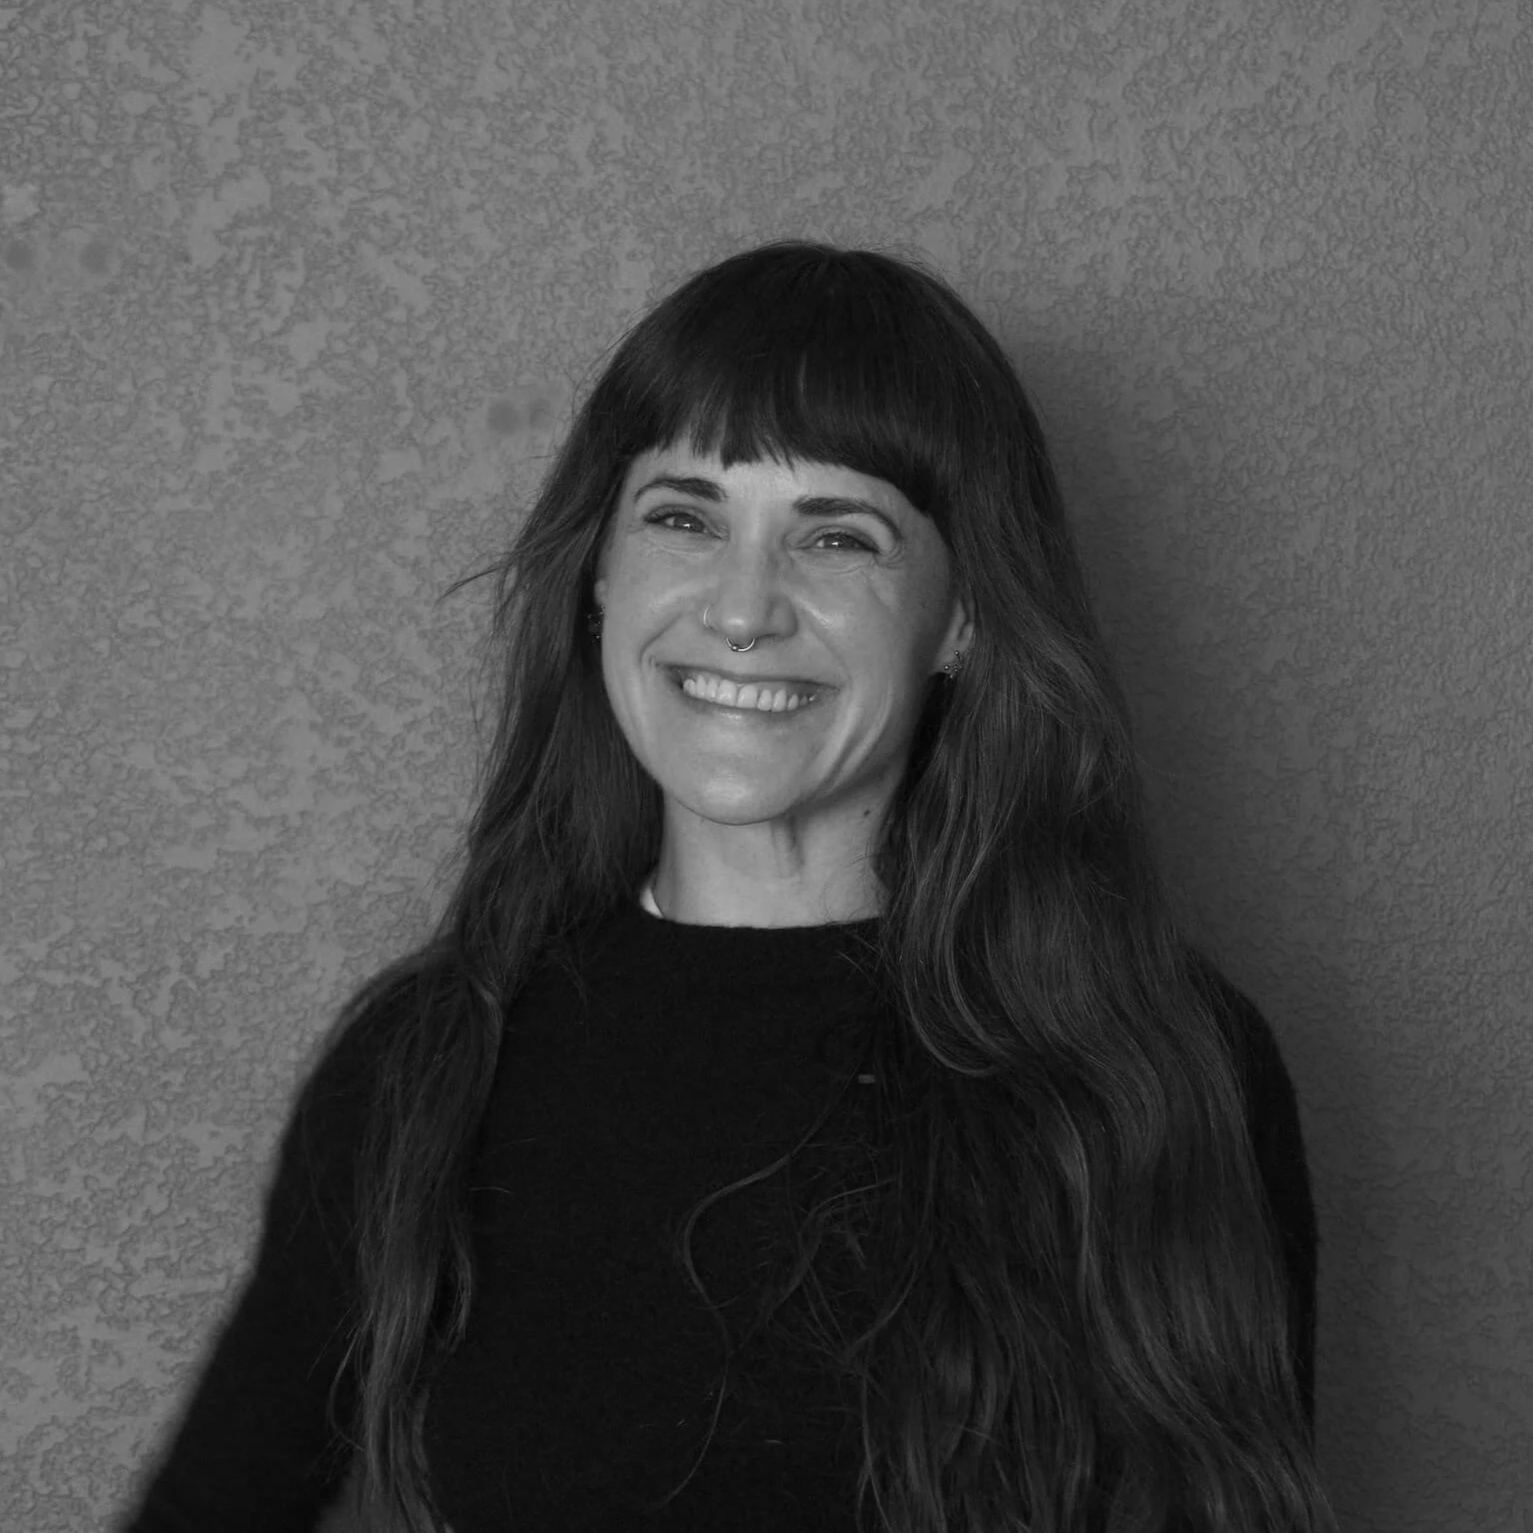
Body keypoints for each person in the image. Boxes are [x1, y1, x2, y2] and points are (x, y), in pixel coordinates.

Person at [121, 241, 1335, 1533]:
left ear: (964, 619)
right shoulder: (426, 1069)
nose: (745, 607)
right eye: (686, 518)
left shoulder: (1157, 1074)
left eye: (838, 536)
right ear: (600, 575)